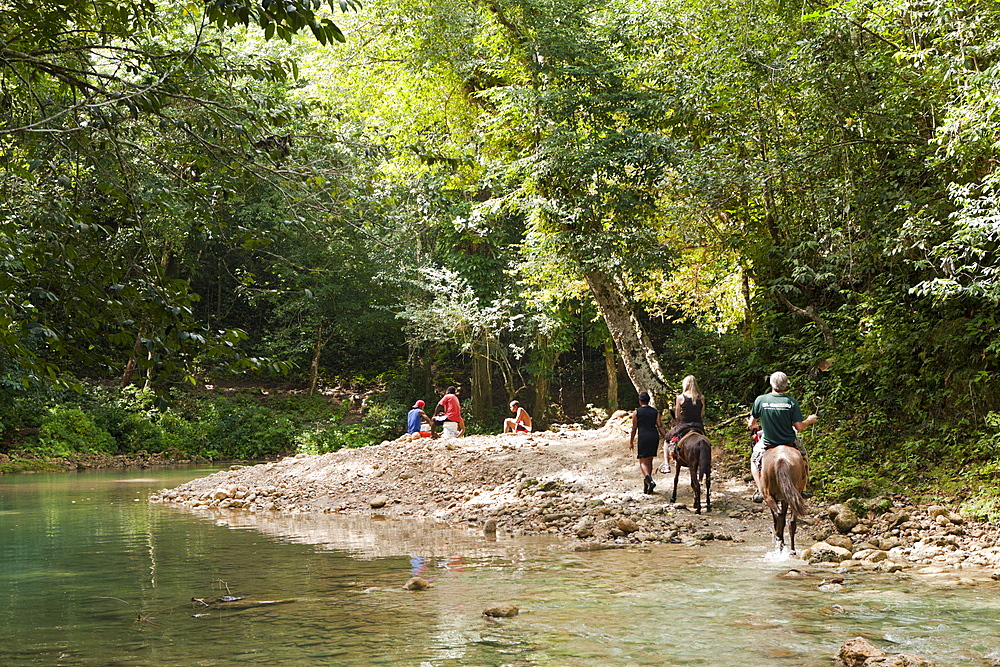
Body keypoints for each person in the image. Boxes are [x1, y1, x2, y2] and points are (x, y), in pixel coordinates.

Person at [747, 371, 817, 503]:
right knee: (804, 457)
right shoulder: (791, 402)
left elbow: (751, 424)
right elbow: (799, 427)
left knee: (754, 461)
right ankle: (802, 489)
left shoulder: (760, 400)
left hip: (768, 442)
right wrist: (809, 420)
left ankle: (761, 490)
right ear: (785, 385)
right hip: (789, 441)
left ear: (771, 384)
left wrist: (754, 427)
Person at [660, 374, 706, 473]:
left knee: (667, 439)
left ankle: (666, 464)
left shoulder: (680, 397)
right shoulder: (701, 397)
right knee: (706, 442)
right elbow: (701, 414)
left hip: (684, 425)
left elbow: (677, 416)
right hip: (698, 425)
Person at [629, 391, 666, 494]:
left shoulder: (637, 412)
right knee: (649, 460)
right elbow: (659, 425)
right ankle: (647, 486)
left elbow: (634, 428)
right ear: (649, 401)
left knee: (642, 461)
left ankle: (649, 480)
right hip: (654, 436)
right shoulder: (655, 412)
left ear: (640, 401)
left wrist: (631, 441)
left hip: (643, 437)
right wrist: (666, 437)